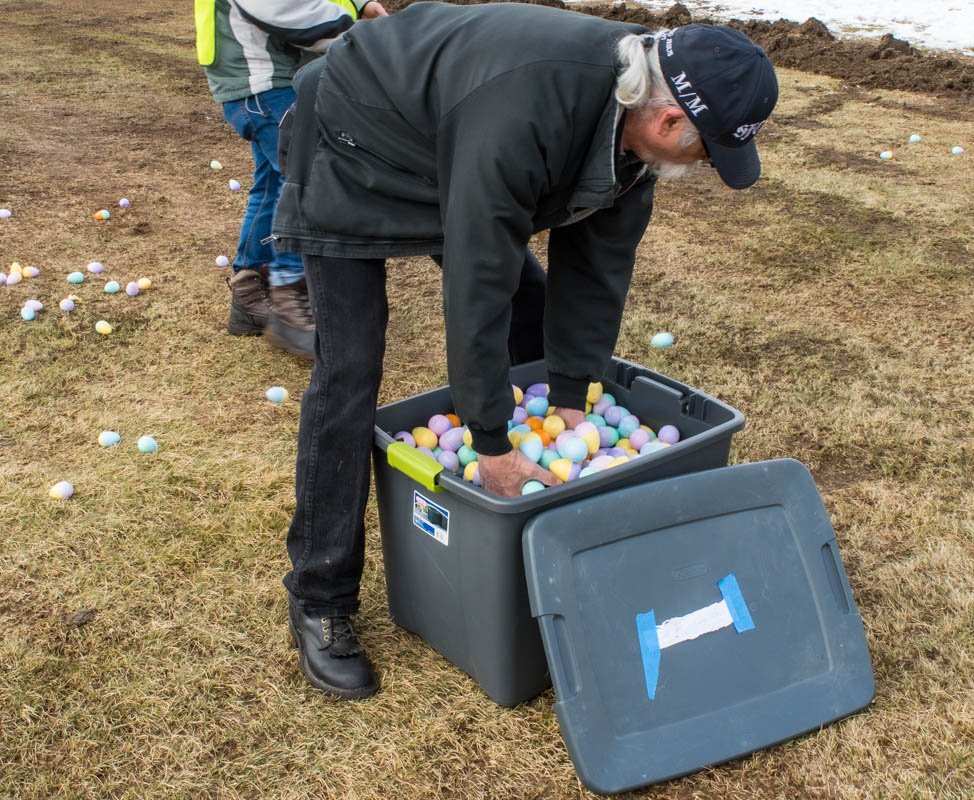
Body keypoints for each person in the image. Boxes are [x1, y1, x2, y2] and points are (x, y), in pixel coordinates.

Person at [271, 2, 778, 699]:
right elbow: (478, 280)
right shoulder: (527, 111)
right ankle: (320, 598)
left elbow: (596, 274)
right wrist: (490, 442)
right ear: (668, 122)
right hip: (354, 137)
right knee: (350, 372)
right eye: (709, 150)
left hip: (449, 142)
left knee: (535, 316)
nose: (707, 168)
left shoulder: (631, 141)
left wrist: (571, 399)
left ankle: (534, 550)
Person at [195, 0, 387, 359]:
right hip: (265, 82)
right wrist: (360, 33)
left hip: (263, 82)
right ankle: (290, 295)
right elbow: (287, 8)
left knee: (273, 183)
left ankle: (248, 291)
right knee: (306, 179)